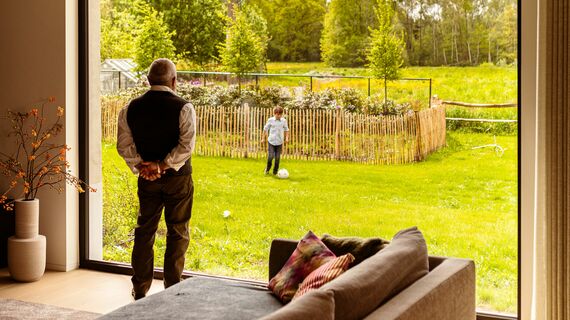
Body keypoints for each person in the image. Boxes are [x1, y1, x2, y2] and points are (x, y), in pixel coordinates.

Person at [117, 58, 196, 300]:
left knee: (145, 231)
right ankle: (172, 288)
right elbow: (186, 146)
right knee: (177, 231)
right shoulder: (184, 107)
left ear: (148, 80)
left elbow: (124, 145)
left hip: (147, 180)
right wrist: (163, 165)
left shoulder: (130, 108)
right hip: (178, 180)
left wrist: (143, 166)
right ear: (174, 81)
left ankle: (140, 288)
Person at [263, 106, 289, 175]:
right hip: (271, 141)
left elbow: (286, 130)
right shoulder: (270, 120)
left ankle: (275, 172)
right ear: (274, 113)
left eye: (280, 114)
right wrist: (263, 138)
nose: (278, 116)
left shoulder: (284, 121)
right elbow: (265, 129)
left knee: (277, 158)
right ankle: (267, 169)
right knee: (270, 156)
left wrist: (286, 138)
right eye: (277, 114)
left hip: (279, 142)